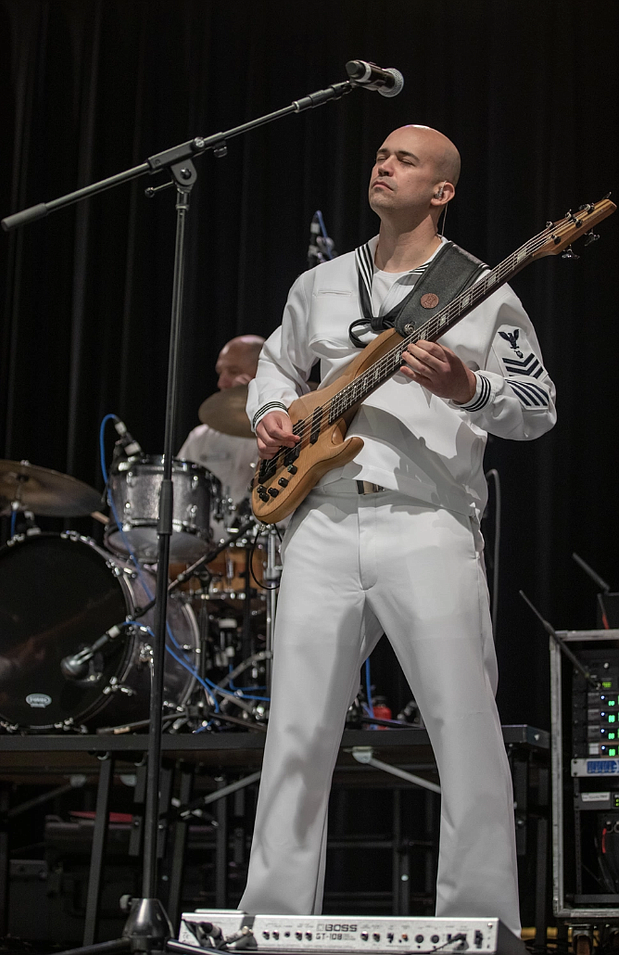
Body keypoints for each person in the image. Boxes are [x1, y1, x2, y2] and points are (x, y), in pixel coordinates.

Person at [239, 125, 557, 934]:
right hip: (319, 521)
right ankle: (270, 922)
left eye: (406, 159)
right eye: (380, 153)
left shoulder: (481, 286)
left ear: (442, 190)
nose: (384, 163)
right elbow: (277, 369)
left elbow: (538, 405)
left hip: (427, 523)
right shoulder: (319, 283)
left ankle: (481, 927)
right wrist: (274, 412)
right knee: (297, 734)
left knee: (465, 732)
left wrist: (467, 384)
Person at [178, 335, 265, 515]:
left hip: (274, 540)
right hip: (210, 542)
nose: (221, 383)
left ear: (265, 371)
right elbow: (177, 498)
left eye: (233, 372)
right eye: (220, 373)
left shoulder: (293, 428)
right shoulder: (200, 438)